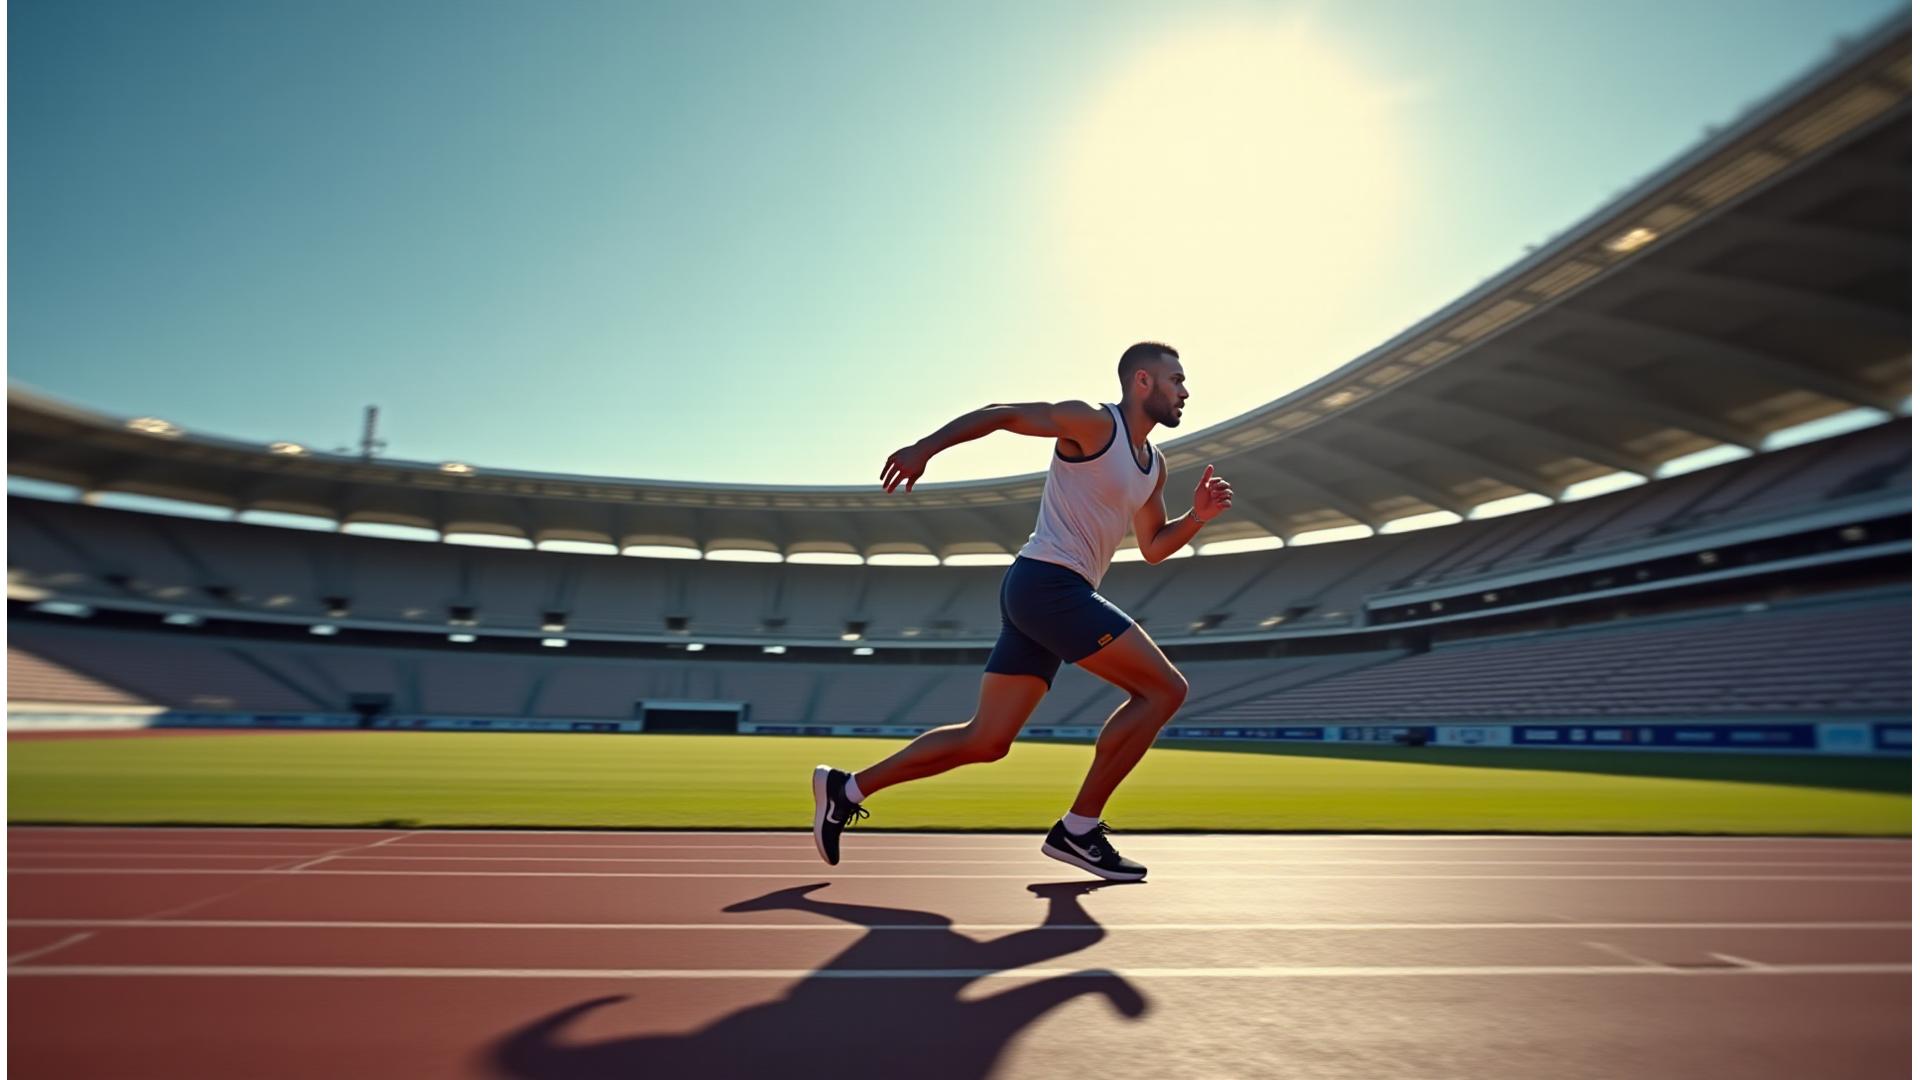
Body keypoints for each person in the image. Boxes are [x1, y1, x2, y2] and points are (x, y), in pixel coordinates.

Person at [811, 342, 1234, 880]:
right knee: (1164, 690)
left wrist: (1196, 518)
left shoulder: (1154, 466)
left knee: (987, 740)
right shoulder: (1092, 423)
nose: (1185, 391)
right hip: (1048, 585)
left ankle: (844, 789)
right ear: (1143, 382)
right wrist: (925, 447)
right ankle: (1078, 829)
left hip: (1042, 591)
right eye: (1177, 379)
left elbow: (1151, 546)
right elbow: (1002, 416)